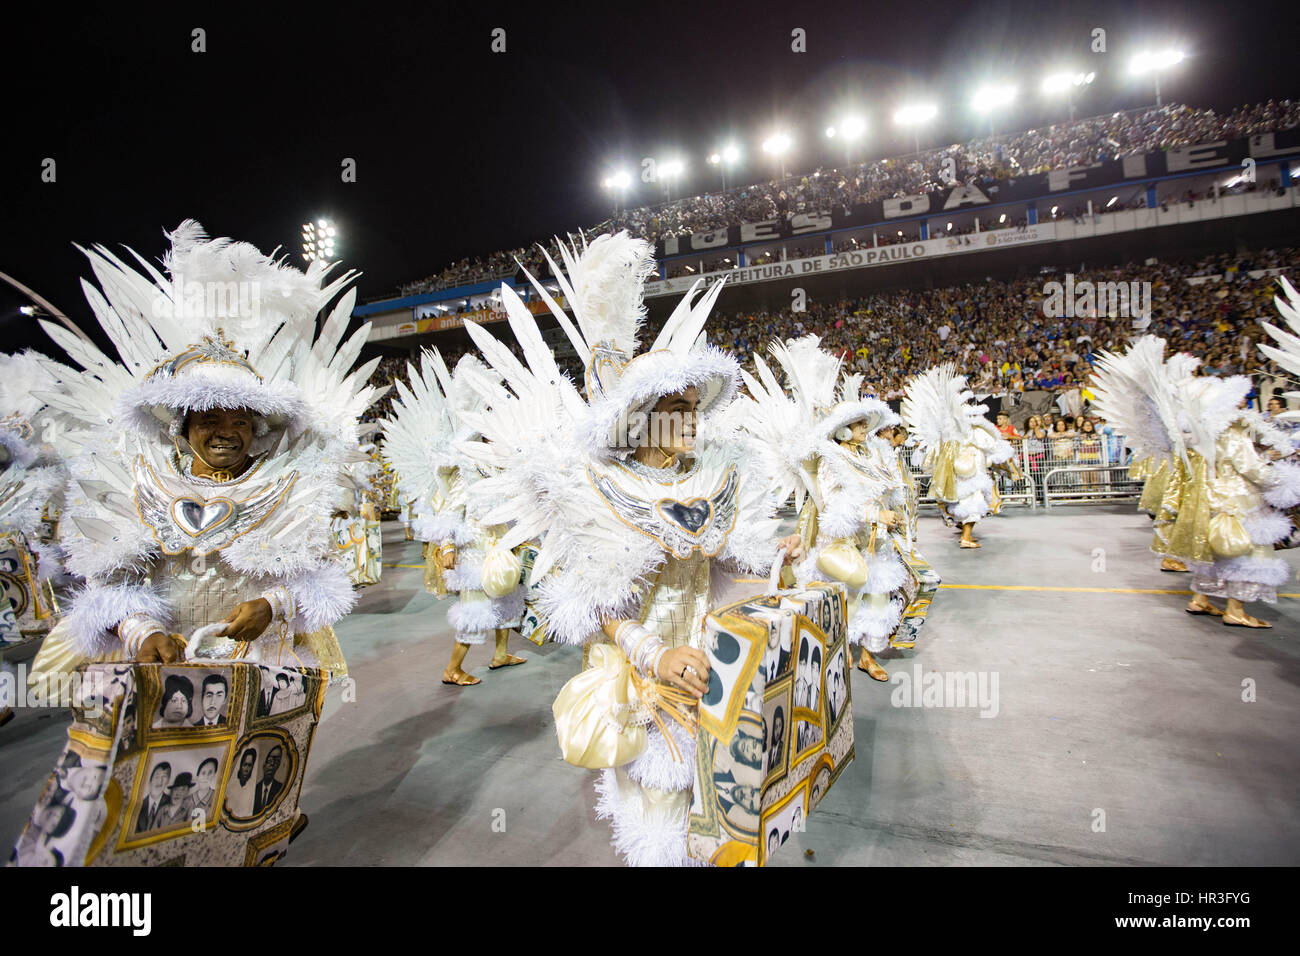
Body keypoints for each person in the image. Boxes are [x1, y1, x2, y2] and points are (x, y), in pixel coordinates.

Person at [24, 222, 381, 854]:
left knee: (250, 790)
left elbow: (318, 580)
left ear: (257, 427)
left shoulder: (289, 485)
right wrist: (142, 630)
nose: (225, 432)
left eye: (239, 420)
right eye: (209, 419)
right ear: (183, 426)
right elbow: (112, 583)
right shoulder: (136, 481)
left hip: (257, 660)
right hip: (163, 660)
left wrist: (270, 606)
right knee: (160, 801)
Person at [456, 232, 801, 867]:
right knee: (659, 818)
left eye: (695, 407)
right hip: (647, 685)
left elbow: (725, 574)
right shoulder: (602, 490)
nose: (693, 420)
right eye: (678, 407)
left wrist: (779, 572)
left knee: (717, 808)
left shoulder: (710, 483)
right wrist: (658, 654)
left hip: (716, 672)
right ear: (640, 419)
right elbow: (603, 605)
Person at [382, 350, 528, 686]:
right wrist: (447, 545)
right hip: (475, 545)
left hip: (500, 542)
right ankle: (453, 669)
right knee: (475, 606)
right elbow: (450, 508)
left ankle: (501, 654)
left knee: (506, 596)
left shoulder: (496, 462)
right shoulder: (466, 465)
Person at [136, 763, 171, 833]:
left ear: (168, 781)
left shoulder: (171, 803)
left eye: (164, 777)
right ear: (150, 781)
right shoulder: (139, 804)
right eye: (157, 777)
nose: (160, 782)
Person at [225, 748, 258, 819]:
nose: (246, 769)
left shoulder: (252, 791)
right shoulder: (231, 787)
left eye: (249, 765)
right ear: (240, 766)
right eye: (245, 765)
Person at [253, 745, 286, 815]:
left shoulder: (281, 789)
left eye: (276, 761)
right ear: (264, 765)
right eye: (270, 761)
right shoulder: (254, 789)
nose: (272, 764)